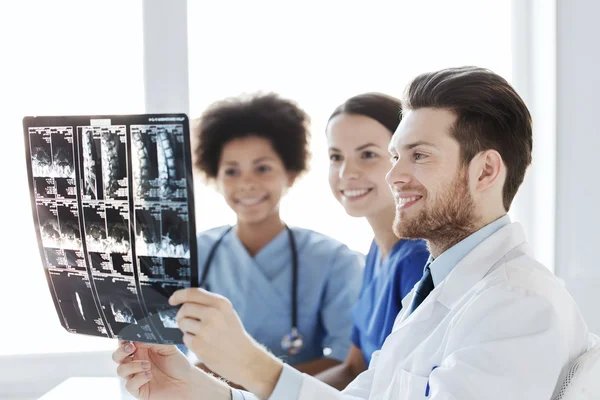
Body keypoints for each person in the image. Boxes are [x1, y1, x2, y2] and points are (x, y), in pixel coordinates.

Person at [113, 67, 595, 400]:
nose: (393, 174)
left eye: (419, 156)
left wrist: (246, 362)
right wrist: (203, 391)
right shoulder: (436, 292)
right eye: (396, 154)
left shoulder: (518, 306)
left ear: (486, 171)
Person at [187, 93, 363, 376]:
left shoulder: (333, 260)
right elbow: (164, 342)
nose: (246, 183)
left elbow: (348, 363)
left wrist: (244, 386)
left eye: (263, 168)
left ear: (290, 173)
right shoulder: (195, 253)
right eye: (231, 171)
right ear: (215, 179)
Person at [315, 93, 429, 389]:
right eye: (336, 157)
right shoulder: (377, 252)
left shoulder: (418, 261)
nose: (346, 173)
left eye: (367, 155)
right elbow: (354, 368)